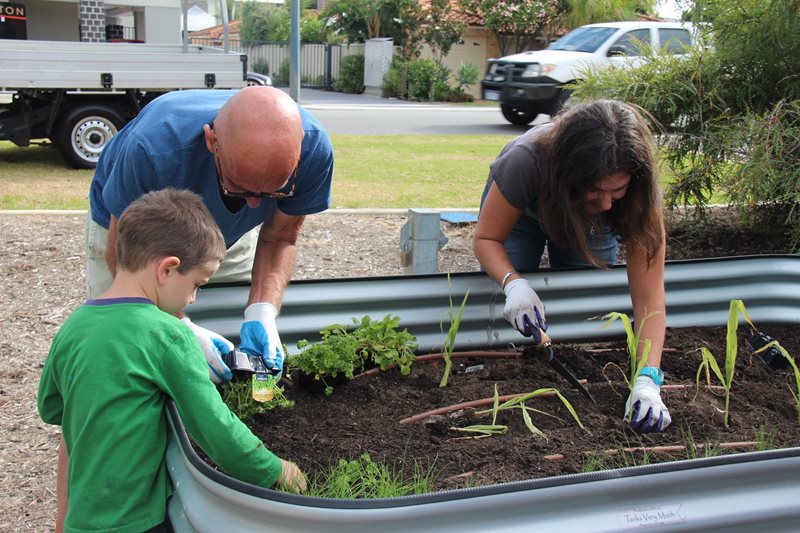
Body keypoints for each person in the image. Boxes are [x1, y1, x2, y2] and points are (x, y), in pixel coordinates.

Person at [39, 189, 306, 533]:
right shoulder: (167, 335)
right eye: (197, 284)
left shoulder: (73, 325)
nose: (193, 298)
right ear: (167, 269)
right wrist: (276, 470)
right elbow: (216, 432)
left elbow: (51, 408)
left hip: (82, 517)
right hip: (134, 521)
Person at [86, 85, 334, 381]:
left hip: (223, 238)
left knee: (227, 349)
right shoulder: (152, 149)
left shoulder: (314, 150)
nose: (254, 204)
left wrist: (262, 311)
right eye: (238, 187)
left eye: (273, 192)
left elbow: (280, 237)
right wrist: (181, 327)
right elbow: (123, 263)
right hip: (137, 238)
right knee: (127, 348)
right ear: (211, 141)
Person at [473, 99, 671, 434]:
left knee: (588, 313)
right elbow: (486, 239)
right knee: (504, 314)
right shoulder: (525, 160)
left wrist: (649, 379)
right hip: (524, 213)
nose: (607, 202)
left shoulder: (637, 196)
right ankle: (502, 367)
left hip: (589, 223)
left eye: (617, 190)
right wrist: (512, 282)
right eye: (596, 190)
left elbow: (650, 298)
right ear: (571, 173)